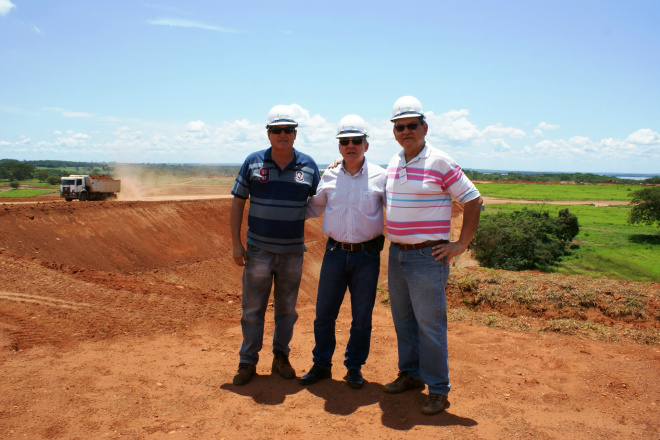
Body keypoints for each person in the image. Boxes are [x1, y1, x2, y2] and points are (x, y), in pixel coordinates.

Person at [383, 96, 482, 415]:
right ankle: (411, 374)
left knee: (430, 324)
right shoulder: (395, 161)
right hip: (397, 255)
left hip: (428, 257)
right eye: (400, 126)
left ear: (424, 127)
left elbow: (473, 199)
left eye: (413, 125)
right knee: (404, 321)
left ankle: (438, 389)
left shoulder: (440, 161)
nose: (406, 131)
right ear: (394, 131)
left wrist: (461, 244)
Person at [230, 104, 320, 386]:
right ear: (268, 133)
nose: (283, 134)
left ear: (295, 134)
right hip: (258, 250)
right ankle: (247, 362)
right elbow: (237, 202)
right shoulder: (253, 162)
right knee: (252, 308)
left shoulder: (308, 166)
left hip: (292, 251)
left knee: (287, 310)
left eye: (288, 130)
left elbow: (322, 197)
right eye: (277, 130)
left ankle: (281, 356)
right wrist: (236, 244)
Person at [297, 115, 387, 389]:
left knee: (362, 318)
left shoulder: (381, 177)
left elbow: (397, 211)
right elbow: (313, 207)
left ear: (366, 145)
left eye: (356, 141)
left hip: (367, 257)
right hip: (335, 254)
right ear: (339, 146)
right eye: (345, 141)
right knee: (324, 314)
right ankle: (322, 365)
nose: (351, 145)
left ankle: (354, 367)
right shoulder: (330, 175)